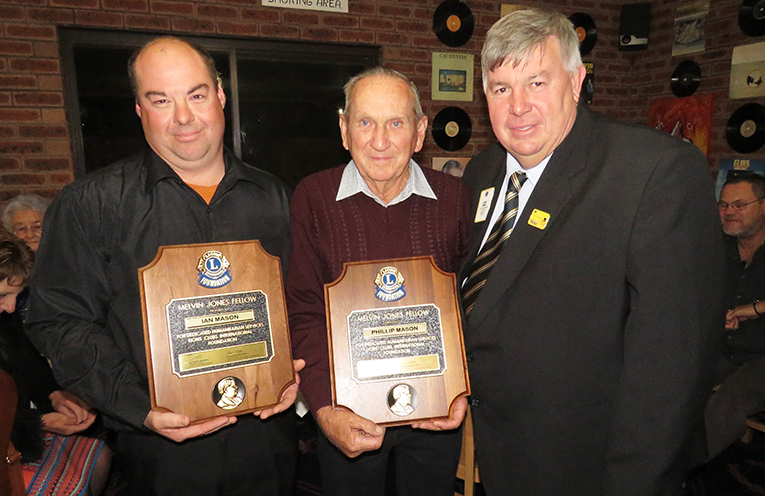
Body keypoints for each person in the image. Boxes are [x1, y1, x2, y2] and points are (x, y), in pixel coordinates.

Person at [459, 8, 726, 495]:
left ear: (577, 81)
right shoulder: (481, 173)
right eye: (501, 89)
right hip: (502, 455)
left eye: (537, 83)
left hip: (595, 467)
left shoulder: (653, 171)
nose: (518, 106)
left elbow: (673, 364)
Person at [25, 36, 299, 496]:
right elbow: (59, 321)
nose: (184, 117)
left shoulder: (276, 198)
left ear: (220, 95)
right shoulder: (90, 205)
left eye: (196, 94)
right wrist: (140, 407)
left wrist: (296, 370)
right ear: (139, 109)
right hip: (159, 451)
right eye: (161, 100)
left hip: (267, 437)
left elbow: (300, 304)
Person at [287, 66, 471, 496]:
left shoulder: (455, 198)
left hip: (435, 411)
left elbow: (470, 303)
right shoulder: (313, 198)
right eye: (365, 122)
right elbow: (303, 309)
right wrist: (324, 408)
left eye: (396, 123)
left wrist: (461, 385)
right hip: (347, 410)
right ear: (344, 130)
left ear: (420, 132)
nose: (380, 141)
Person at [0, 237, 111, 496]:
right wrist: (39, 423)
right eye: (3, 295)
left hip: (17, 428)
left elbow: (27, 363)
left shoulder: (5, 318)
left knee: (102, 456)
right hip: (9, 439)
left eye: (17, 296)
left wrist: (55, 395)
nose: (11, 308)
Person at [705, 171, 765, 459]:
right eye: (724, 205)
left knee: (731, 399)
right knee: (673, 377)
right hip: (724, 349)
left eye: (739, 205)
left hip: (761, 358)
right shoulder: (716, 246)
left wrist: (752, 309)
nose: (729, 212)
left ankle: (677, 470)